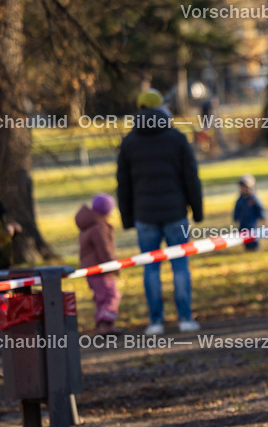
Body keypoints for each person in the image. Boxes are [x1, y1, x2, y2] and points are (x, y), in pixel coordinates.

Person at [117, 88, 204, 335]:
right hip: (176, 212)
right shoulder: (176, 138)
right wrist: (196, 211)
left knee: (151, 268)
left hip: (145, 215)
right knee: (180, 266)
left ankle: (155, 321)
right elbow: (191, 177)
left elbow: (123, 184)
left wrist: (127, 218)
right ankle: (185, 318)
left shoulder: (129, 142)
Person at [76, 193, 121, 335]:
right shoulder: (98, 227)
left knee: (101, 296)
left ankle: (103, 323)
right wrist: (112, 265)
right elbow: (104, 249)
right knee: (111, 295)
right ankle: (105, 323)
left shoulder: (88, 224)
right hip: (101, 269)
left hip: (91, 269)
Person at [233, 174, 266, 251]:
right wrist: (235, 217)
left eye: (244, 187)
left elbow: (260, 208)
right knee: (243, 234)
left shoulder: (253, 199)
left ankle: (254, 247)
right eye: (241, 187)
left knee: (253, 235)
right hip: (242, 222)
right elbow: (237, 209)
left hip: (251, 222)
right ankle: (247, 247)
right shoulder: (240, 200)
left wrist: (262, 216)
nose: (242, 189)